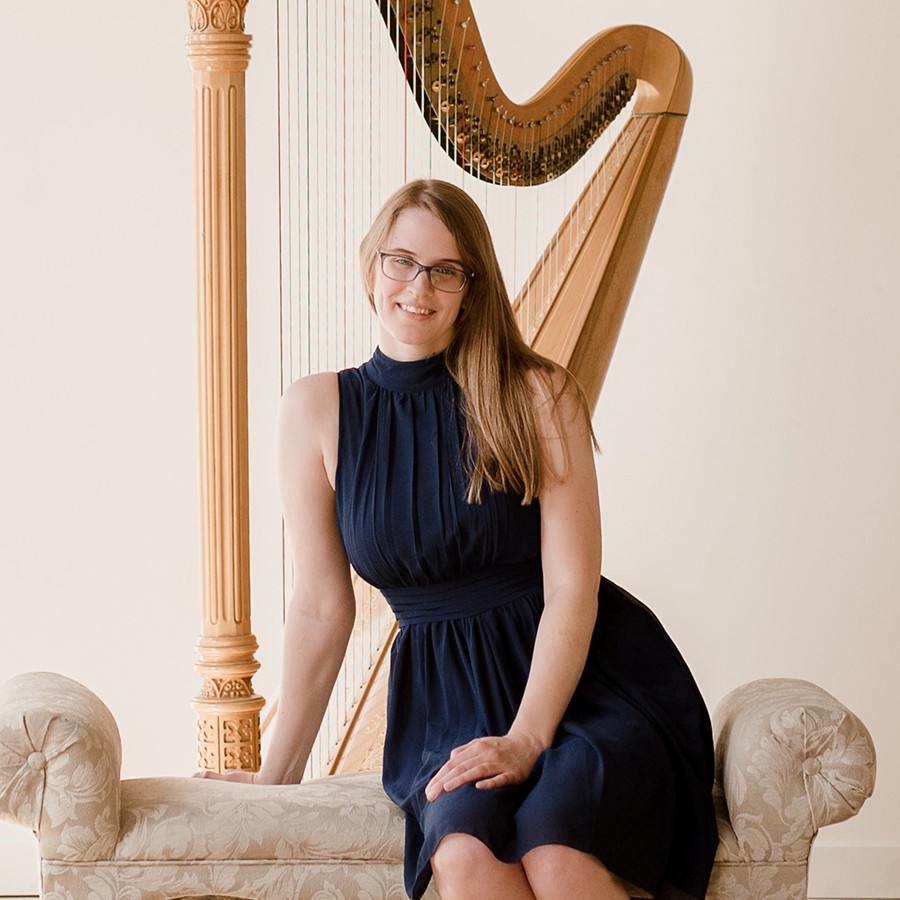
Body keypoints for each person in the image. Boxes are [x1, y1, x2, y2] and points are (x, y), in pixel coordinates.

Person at [200, 178, 719, 899]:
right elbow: (321, 606)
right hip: (447, 702)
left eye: (446, 270)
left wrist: (528, 737)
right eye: (402, 261)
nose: (419, 287)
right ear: (371, 265)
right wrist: (275, 775)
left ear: (472, 288)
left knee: (559, 852)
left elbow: (573, 589)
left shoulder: (536, 394)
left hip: (585, 689)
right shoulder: (315, 410)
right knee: (466, 856)